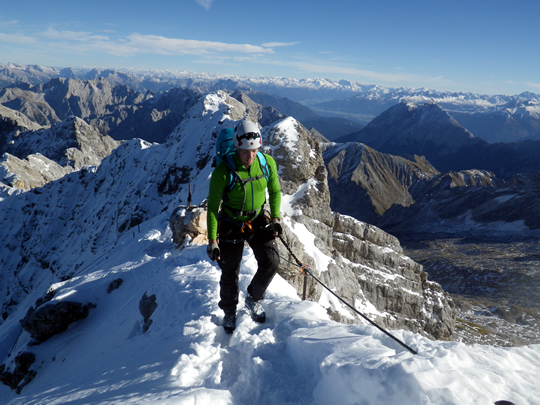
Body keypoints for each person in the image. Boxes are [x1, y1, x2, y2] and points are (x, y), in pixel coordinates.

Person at [206, 120, 282, 334]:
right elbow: (212, 208)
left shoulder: (266, 163)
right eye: (246, 152)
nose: (250, 156)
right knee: (230, 269)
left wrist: (275, 219)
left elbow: (275, 191)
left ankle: (253, 298)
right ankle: (229, 310)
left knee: (272, 261)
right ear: (237, 147)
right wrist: (213, 242)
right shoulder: (223, 171)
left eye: (255, 151)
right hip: (230, 220)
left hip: (256, 217)